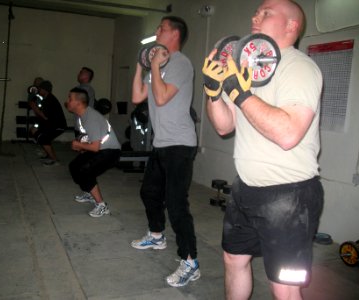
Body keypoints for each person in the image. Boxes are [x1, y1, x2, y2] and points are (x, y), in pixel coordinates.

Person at [203, 0, 323, 299]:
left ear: (292, 26)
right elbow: (223, 126)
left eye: (266, 12)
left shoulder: (299, 67)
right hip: (246, 188)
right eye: (256, 11)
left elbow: (287, 134)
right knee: (233, 259)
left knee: (283, 285)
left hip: (289, 196)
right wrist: (214, 92)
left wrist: (241, 94)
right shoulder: (250, 68)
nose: (255, 16)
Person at [130, 16, 200, 287]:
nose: (157, 30)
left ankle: (190, 262)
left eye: (161, 28)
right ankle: (157, 235)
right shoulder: (160, 66)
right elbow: (138, 97)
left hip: (180, 145)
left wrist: (156, 65)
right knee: (149, 192)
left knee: (176, 204)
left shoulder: (180, 63)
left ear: (175, 34)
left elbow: (160, 97)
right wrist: (141, 64)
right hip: (161, 144)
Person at [65, 87, 121, 217]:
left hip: (111, 152)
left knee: (85, 170)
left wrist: (78, 144)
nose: (67, 101)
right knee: (74, 166)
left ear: (78, 103)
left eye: (70, 98)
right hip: (102, 149)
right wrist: (82, 146)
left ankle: (102, 206)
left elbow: (95, 147)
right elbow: (91, 140)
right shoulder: (83, 116)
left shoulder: (90, 117)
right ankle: (89, 192)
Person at [29, 80, 67, 166]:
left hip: (58, 126)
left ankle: (55, 160)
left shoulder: (50, 100)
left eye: (40, 89)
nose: (39, 90)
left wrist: (35, 108)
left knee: (43, 138)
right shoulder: (46, 98)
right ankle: (49, 155)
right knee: (34, 130)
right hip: (50, 124)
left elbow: (44, 116)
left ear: (45, 90)